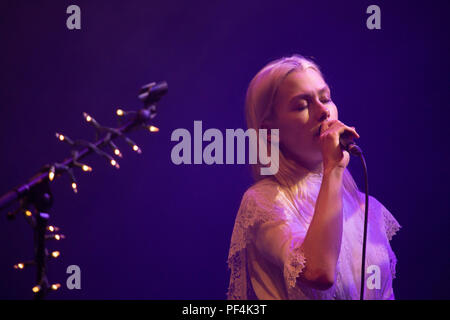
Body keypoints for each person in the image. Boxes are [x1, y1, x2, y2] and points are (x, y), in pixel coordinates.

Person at [227, 54, 401, 300]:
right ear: (269, 131)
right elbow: (319, 272)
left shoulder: (364, 207)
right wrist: (334, 169)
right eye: (302, 105)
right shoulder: (263, 203)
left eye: (325, 98)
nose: (323, 111)